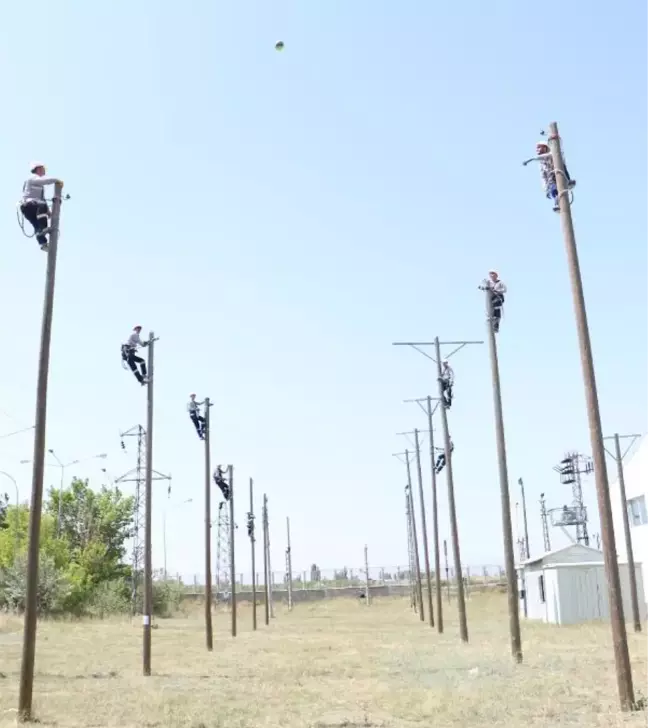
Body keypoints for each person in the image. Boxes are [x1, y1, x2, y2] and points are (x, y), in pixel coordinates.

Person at [20, 162, 64, 251]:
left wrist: (48, 211)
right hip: (30, 205)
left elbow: (42, 199)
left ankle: (43, 243)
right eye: (43, 170)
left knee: (37, 226)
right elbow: (45, 181)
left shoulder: (38, 185)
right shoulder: (32, 178)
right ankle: (43, 228)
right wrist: (57, 180)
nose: (44, 172)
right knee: (41, 208)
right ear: (39, 169)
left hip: (29, 208)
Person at [523, 141, 576, 212]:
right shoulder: (541, 164)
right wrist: (546, 189)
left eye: (539, 147)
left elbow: (549, 156)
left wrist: (532, 159)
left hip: (560, 173)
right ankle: (557, 203)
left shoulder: (553, 154)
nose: (537, 150)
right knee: (553, 188)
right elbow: (543, 177)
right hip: (551, 179)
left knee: (562, 166)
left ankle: (568, 182)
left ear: (545, 148)